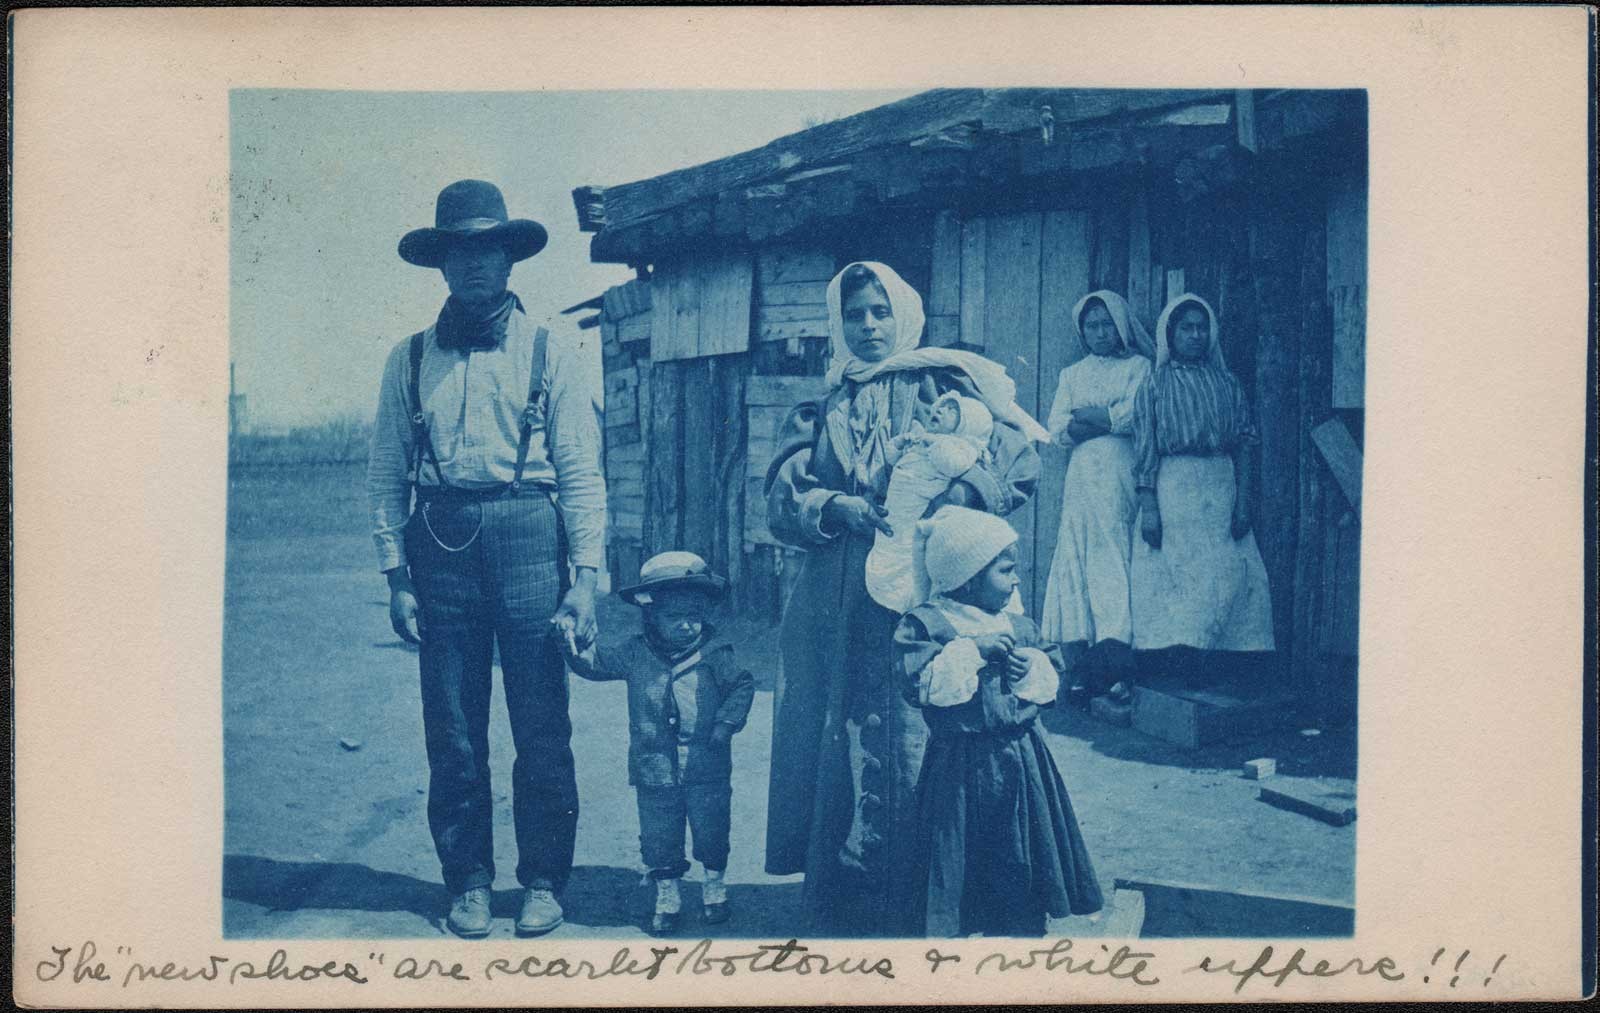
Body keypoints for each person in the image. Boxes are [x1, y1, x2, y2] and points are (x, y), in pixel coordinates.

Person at [763, 260, 1047, 937]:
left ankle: (939, 887)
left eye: (879, 311)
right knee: (851, 737)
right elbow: (781, 492)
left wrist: (960, 494)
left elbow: (1018, 458)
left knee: (931, 725)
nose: (867, 326)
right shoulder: (826, 402)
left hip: (927, 588)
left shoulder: (946, 384)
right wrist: (835, 504)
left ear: (904, 316)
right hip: (838, 600)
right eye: (854, 313)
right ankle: (854, 892)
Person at [365, 179, 606, 939]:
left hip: (533, 535)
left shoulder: (550, 350)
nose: (475, 265)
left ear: (509, 258)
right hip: (437, 542)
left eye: (489, 249)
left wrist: (588, 581)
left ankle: (542, 879)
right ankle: (467, 880)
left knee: (540, 724)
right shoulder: (407, 361)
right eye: (460, 251)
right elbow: (383, 474)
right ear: (441, 264)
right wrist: (395, 577)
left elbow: (580, 471)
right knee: (455, 727)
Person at [894, 506, 1104, 937]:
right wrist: (973, 651)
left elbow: (1051, 675)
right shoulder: (929, 624)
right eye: (1005, 570)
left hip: (1022, 759)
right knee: (956, 846)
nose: (1014, 580)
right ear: (968, 576)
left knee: (1019, 844)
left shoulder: (1019, 626)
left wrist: (1030, 667)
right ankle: (957, 929)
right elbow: (920, 684)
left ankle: (1020, 923)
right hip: (958, 764)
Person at [561, 551, 755, 936]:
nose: (686, 626)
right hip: (654, 768)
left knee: (712, 828)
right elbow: (597, 664)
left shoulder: (715, 655)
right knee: (659, 835)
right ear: (651, 615)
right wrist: (572, 645)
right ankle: (667, 894)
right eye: (673, 617)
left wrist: (724, 725)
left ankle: (714, 887)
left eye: (694, 617)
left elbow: (742, 686)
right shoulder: (636, 653)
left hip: (707, 766)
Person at [1129, 293, 1275, 672]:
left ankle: (1224, 662)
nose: (1195, 335)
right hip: (1175, 487)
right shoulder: (1154, 385)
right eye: (1186, 328)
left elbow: (1244, 443)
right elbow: (1145, 451)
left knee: (1228, 573)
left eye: (1201, 328)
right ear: (1170, 335)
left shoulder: (1228, 383)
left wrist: (1243, 502)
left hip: (1220, 483)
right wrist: (1149, 509)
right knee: (1178, 574)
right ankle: (1180, 665)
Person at [1040, 291, 1155, 705]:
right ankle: (1083, 664)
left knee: (1113, 557)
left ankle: (1119, 662)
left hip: (1119, 473)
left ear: (1121, 325)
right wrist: (1103, 418)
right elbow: (1057, 430)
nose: (1100, 333)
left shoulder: (1138, 367)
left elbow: (1134, 417)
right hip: (1081, 478)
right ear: (1081, 331)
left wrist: (1094, 416)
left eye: (1107, 324)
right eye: (1092, 326)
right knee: (1078, 557)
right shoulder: (1072, 374)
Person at [865, 391, 995, 615]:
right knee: (889, 546)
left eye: (952, 409)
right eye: (940, 407)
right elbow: (895, 461)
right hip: (898, 505)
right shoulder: (925, 442)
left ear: (967, 424)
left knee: (908, 554)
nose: (940, 410)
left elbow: (953, 465)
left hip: (918, 506)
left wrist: (932, 441)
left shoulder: (961, 448)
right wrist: (898, 446)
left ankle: (911, 602)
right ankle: (894, 592)